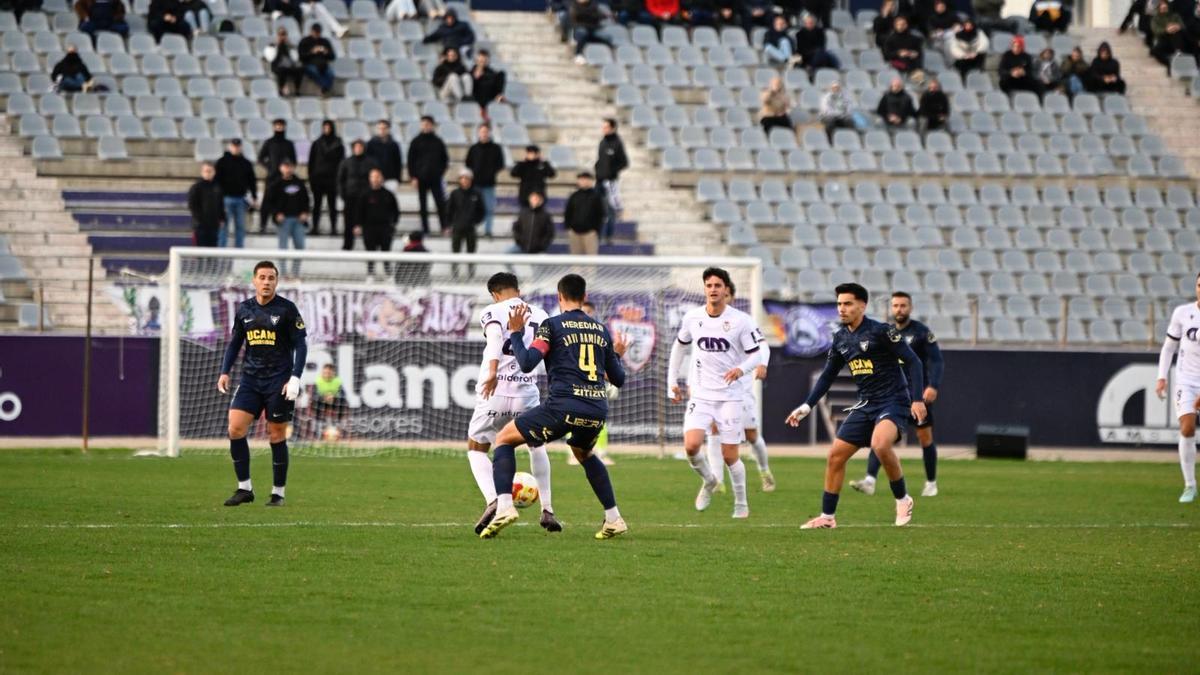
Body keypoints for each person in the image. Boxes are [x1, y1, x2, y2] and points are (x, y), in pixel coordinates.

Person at [478, 273, 629, 540]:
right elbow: (618, 378)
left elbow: (526, 362)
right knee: (583, 453)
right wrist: (616, 354)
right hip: (596, 409)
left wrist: (515, 332)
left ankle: (504, 506)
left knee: (504, 440)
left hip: (562, 407)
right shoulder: (601, 329)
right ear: (584, 297)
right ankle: (614, 518)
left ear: (559, 297)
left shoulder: (551, 326)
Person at [785, 283, 926, 529]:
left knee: (880, 444)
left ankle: (903, 499)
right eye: (839, 303)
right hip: (866, 404)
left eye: (848, 303)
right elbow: (828, 375)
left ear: (863, 305)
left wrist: (917, 399)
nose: (842, 308)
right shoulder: (840, 338)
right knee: (835, 456)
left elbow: (913, 362)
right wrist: (807, 406)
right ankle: (827, 518)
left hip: (893, 400)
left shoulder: (882, 331)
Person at [667, 267, 765, 519]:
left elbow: (757, 354)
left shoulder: (741, 321)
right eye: (709, 285)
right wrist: (672, 382)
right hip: (700, 395)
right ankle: (710, 481)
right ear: (705, 289)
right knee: (691, 447)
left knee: (730, 455)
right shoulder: (693, 317)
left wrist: (740, 369)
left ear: (726, 290)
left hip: (730, 397)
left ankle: (741, 503)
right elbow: (679, 348)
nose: (713, 290)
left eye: (717, 286)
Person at [466, 273, 559, 535]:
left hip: (494, 391)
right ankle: (548, 509)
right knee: (536, 445)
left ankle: (494, 500)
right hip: (526, 393)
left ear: (494, 294)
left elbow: (495, 341)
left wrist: (493, 372)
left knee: (477, 448)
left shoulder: (492, 310)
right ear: (517, 290)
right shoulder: (541, 314)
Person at [216, 260, 307, 508]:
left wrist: (295, 377)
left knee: (276, 435)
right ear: (254, 281)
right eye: (262, 277)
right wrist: (225, 371)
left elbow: (301, 344)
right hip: (250, 379)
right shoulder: (244, 309)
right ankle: (244, 488)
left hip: (279, 381)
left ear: (276, 282)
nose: (266, 282)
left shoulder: (287, 310)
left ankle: (278, 493)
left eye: (271, 278)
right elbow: (235, 343)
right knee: (235, 428)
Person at [851, 291, 945, 498]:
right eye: (895, 306)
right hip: (891, 394)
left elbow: (936, 360)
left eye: (903, 306)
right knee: (880, 437)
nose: (899, 309)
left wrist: (933, 386)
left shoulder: (921, 332)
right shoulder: (884, 331)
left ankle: (931, 482)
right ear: (891, 308)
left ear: (910, 308)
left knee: (924, 437)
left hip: (918, 394)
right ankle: (870, 480)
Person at [701, 282, 774, 493]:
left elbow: (763, 345)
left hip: (740, 389)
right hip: (716, 388)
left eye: (727, 293)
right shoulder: (705, 321)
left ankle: (764, 470)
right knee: (714, 429)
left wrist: (763, 363)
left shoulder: (742, 322)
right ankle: (718, 481)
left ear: (729, 295)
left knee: (751, 435)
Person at [1156, 274, 1200, 503]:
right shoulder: (1183, 313)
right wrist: (1161, 377)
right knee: (1187, 427)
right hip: (1187, 380)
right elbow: (1169, 348)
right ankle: (1190, 485)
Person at [264, 160, 309, 275]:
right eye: (285, 166)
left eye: (290, 167)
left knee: (300, 247)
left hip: (298, 220)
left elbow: (306, 200)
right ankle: (283, 274)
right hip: (283, 221)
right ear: (280, 168)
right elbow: (269, 202)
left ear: (293, 168)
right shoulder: (276, 184)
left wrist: (305, 212)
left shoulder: (299, 183)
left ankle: (295, 273)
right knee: (282, 248)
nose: (287, 169)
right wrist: (276, 214)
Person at [407, 116, 450, 235]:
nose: (426, 126)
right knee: (423, 206)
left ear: (432, 125)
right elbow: (410, 160)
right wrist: (413, 177)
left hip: (435, 178)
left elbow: (445, 159)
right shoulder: (415, 141)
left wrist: (439, 172)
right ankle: (425, 229)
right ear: (421, 125)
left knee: (440, 203)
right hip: (420, 179)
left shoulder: (438, 141)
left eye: (428, 124)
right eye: (424, 124)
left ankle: (444, 227)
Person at [355, 168, 400, 279]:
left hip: (385, 228)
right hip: (369, 228)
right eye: (373, 177)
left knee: (386, 252)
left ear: (382, 178)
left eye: (378, 177)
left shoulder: (388, 194)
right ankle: (370, 274)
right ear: (370, 179)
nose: (375, 179)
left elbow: (395, 211)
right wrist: (358, 225)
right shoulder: (364, 194)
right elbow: (359, 211)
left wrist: (393, 224)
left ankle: (388, 274)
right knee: (370, 252)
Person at [214, 139, 256, 248]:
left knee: (240, 227)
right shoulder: (222, 162)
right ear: (229, 146)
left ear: (241, 147)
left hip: (241, 198)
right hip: (226, 198)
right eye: (234, 146)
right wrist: (218, 197)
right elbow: (217, 181)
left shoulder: (246, 163)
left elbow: (252, 181)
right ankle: (221, 250)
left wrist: (254, 196)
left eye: (238, 146)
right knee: (224, 226)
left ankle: (239, 249)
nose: (236, 148)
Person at [337, 140, 377, 251]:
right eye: (356, 147)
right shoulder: (346, 162)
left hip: (366, 199)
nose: (358, 149)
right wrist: (343, 195)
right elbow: (340, 180)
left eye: (360, 147)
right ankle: (347, 245)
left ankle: (368, 245)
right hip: (350, 197)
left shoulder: (370, 162)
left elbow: (374, 178)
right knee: (348, 223)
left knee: (367, 223)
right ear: (353, 148)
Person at [465, 124, 504, 238]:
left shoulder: (496, 148)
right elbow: (468, 163)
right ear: (478, 133)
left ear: (489, 133)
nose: (484, 133)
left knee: (489, 208)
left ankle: (488, 231)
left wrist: (491, 172)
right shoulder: (473, 148)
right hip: (475, 184)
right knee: (473, 208)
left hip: (489, 184)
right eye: (482, 131)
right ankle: (472, 230)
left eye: (486, 131)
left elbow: (500, 164)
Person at [258, 119, 297, 233]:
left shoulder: (289, 144)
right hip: (272, 177)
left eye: (281, 126)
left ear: (284, 127)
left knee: (284, 201)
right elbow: (261, 158)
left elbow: (294, 160)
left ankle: (283, 225)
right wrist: (270, 167)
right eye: (277, 126)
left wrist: (288, 170)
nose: (279, 128)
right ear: (274, 127)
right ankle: (263, 225)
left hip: (285, 178)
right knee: (266, 201)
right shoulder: (269, 142)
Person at [446, 168, 485, 278]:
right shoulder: (455, 193)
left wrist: (475, 221)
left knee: (471, 252)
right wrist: (450, 224)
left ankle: (471, 274)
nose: (464, 180)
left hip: (470, 228)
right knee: (455, 252)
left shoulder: (476, 193)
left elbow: (481, 210)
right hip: (457, 228)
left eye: (466, 178)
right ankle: (454, 274)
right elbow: (449, 210)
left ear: (471, 180)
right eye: (462, 178)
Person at [594, 118, 627, 245]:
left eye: (606, 127)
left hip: (610, 182)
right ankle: (596, 235)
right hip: (599, 180)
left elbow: (624, 162)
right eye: (603, 127)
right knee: (596, 209)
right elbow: (600, 159)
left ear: (613, 128)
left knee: (610, 210)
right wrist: (597, 169)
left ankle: (608, 236)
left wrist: (612, 172)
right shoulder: (602, 142)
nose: (604, 129)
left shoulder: (617, 143)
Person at [307, 120, 343, 236]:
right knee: (317, 205)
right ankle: (315, 227)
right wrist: (311, 178)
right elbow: (311, 163)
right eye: (325, 127)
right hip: (318, 179)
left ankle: (333, 228)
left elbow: (341, 163)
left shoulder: (338, 144)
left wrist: (339, 179)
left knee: (332, 206)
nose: (326, 129)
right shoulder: (316, 143)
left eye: (328, 127)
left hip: (332, 179)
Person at [563, 171, 606, 255]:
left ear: (591, 181)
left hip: (590, 234)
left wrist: (595, 230)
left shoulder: (596, 197)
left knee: (591, 262)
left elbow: (601, 214)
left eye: (586, 179)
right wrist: (569, 228)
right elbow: (568, 213)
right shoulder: (574, 196)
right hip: (574, 233)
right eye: (582, 179)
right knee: (576, 262)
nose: (584, 181)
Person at [188, 161, 224, 248]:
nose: (208, 173)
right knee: (200, 252)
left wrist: (222, 218)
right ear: (202, 172)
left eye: (210, 171)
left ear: (214, 172)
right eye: (206, 171)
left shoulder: (217, 187)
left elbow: (220, 205)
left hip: (213, 226)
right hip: (200, 226)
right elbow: (192, 205)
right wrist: (199, 220)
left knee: (212, 253)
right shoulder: (196, 187)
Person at [298, 23, 336, 95]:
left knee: (331, 74)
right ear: (311, 31)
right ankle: (326, 88)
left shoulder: (325, 41)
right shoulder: (304, 41)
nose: (317, 34)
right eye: (315, 32)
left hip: (323, 65)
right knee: (314, 72)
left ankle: (325, 89)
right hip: (309, 64)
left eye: (318, 32)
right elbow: (301, 57)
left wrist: (326, 52)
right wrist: (312, 52)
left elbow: (332, 56)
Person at [1150, 1, 1190, 68]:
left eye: (1165, 6)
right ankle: (1169, 62)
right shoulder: (1155, 19)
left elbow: (1183, 26)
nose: (1164, 8)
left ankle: (1178, 52)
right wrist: (1166, 30)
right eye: (1162, 7)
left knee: (1177, 34)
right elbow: (1156, 31)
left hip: (1176, 39)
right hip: (1163, 38)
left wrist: (1177, 27)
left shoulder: (1175, 16)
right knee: (1155, 51)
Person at [266, 27, 303, 96]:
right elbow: (270, 58)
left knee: (300, 69)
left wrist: (288, 46)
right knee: (282, 70)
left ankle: (297, 90)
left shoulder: (289, 45)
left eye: (284, 34)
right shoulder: (272, 45)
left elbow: (295, 58)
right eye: (280, 34)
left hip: (289, 65)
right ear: (277, 35)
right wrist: (277, 45)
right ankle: (281, 89)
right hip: (277, 65)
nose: (282, 36)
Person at [470, 49, 507, 117]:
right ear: (477, 60)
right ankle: (483, 110)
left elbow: (495, 85)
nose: (482, 62)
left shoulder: (492, 73)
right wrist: (476, 77)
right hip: (476, 95)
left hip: (489, 95)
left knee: (501, 74)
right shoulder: (471, 72)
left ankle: (498, 97)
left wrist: (498, 94)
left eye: (484, 61)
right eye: (481, 61)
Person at [366, 120, 403, 184]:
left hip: (391, 178)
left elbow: (398, 162)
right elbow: (367, 162)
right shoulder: (371, 144)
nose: (382, 130)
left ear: (388, 129)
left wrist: (398, 178)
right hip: (375, 179)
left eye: (384, 128)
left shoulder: (394, 144)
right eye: (379, 128)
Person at [312, 363, 347, 428]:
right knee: (315, 402)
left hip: (334, 401)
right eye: (325, 372)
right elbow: (314, 395)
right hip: (322, 402)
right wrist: (323, 397)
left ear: (333, 373)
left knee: (343, 402)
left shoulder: (337, 381)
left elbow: (343, 394)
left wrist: (334, 396)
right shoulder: (318, 381)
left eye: (329, 373)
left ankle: (338, 423)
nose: (327, 375)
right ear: (322, 372)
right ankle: (318, 424)